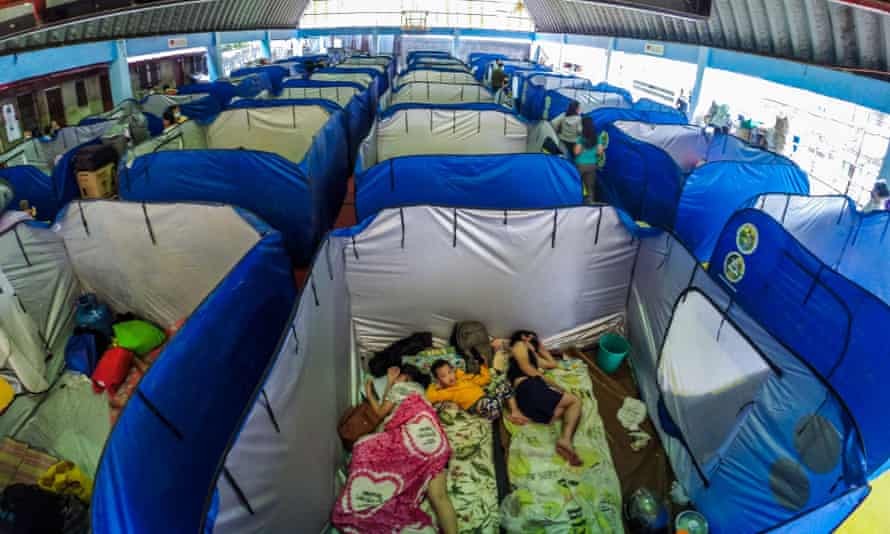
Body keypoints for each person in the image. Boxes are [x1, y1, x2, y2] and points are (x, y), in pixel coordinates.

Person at [336, 364, 457, 534]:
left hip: (415, 439)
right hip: (437, 442)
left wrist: (370, 394)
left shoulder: (401, 387)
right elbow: (393, 404)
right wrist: (391, 383)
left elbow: (380, 413)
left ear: (405, 377)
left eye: (396, 378)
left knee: (363, 445)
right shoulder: (422, 394)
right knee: (440, 497)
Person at [508, 330, 583, 466]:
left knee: (564, 412)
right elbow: (526, 368)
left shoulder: (533, 357)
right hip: (530, 387)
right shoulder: (519, 345)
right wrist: (557, 386)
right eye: (532, 337)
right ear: (524, 337)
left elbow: (553, 364)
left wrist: (540, 349)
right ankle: (565, 440)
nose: (534, 339)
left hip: (527, 402)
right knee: (574, 401)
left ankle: (562, 439)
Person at [427, 359, 529, 424]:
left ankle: (515, 411)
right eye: (443, 376)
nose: (449, 377)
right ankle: (504, 414)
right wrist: (434, 386)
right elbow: (430, 397)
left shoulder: (465, 378)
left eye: (450, 372)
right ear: (438, 380)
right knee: (486, 403)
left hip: (486, 397)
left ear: (454, 370)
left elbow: (485, 379)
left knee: (503, 384)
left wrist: (483, 366)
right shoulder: (445, 391)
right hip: (477, 406)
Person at [574, 116, 605, 203]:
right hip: (592, 165)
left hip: (580, 165)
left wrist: (583, 150)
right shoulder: (597, 137)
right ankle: (590, 204)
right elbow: (600, 152)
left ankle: (576, 201)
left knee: (577, 184)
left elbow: (576, 152)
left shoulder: (581, 138)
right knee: (590, 187)